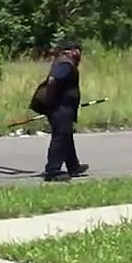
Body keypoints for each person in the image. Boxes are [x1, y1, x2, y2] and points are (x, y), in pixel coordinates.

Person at [40, 40, 89, 182]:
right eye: (77, 50)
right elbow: (53, 80)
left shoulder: (64, 63)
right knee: (60, 137)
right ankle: (53, 171)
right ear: (71, 51)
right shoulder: (64, 64)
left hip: (63, 107)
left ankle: (73, 166)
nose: (79, 54)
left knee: (66, 136)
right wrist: (52, 100)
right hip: (60, 107)